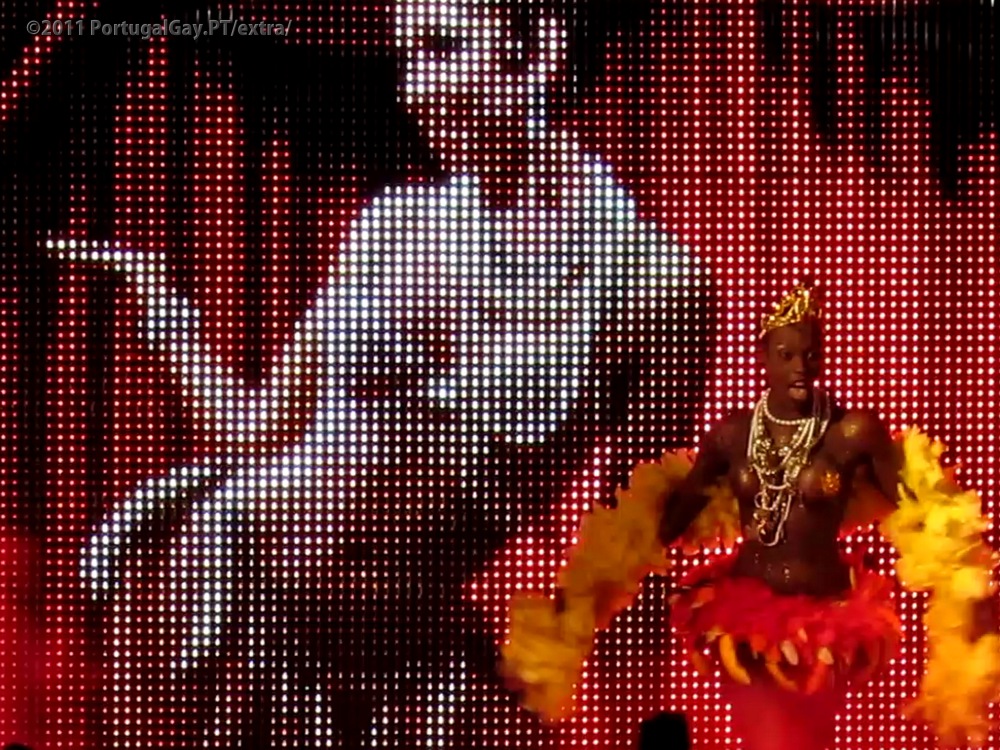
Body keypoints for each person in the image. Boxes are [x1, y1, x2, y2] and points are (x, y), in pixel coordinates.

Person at [46, 0, 709, 746]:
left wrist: (557, 662)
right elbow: (256, 428)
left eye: (441, 47)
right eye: (404, 60)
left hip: (424, 662)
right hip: (248, 608)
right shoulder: (391, 226)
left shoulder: (654, 285)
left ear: (536, 51)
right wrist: (166, 312)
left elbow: (638, 529)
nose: (414, 89)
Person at [502, 281, 1000, 750]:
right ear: (763, 357)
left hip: (830, 626)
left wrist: (966, 586)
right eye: (786, 355)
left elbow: (922, 509)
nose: (800, 366)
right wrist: (586, 588)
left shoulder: (852, 432)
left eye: (810, 354)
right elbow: (666, 524)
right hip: (747, 625)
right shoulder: (734, 435)